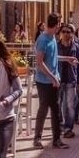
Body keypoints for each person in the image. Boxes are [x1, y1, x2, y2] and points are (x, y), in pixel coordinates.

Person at [32, 13, 70, 150]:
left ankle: (56, 139)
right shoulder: (43, 40)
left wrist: (67, 59)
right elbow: (40, 62)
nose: (60, 26)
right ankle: (38, 138)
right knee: (45, 108)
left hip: (53, 80)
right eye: (59, 23)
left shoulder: (53, 37)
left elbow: (53, 57)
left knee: (55, 109)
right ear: (56, 24)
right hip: (44, 81)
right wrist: (52, 77)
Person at [56, 24, 79, 139]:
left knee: (70, 105)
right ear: (61, 33)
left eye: (69, 32)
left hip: (71, 79)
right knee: (58, 104)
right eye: (64, 31)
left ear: (72, 33)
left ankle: (68, 128)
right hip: (58, 79)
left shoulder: (76, 47)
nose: (67, 34)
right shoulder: (55, 46)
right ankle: (59, 125)